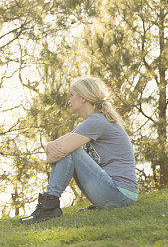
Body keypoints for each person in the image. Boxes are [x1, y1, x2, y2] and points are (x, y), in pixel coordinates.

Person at [20, 75, 138, 224]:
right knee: (70, 150)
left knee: (72, 151)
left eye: (71, 95)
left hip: (120, 195)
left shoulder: (96, 121)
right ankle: (49, 205)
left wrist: (51, 149)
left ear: (83, 98)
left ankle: (49, 206)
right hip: (117, 194)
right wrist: (49, 146)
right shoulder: (93, 121)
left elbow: (60, 150)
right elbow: (55, 150)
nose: (69, 101)